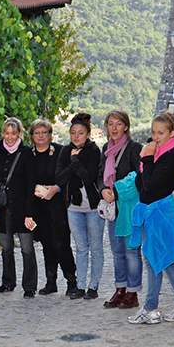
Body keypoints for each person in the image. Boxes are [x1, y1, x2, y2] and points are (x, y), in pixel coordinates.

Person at [128, 111, 174, 324]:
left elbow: (149, 184)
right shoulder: (158, 151)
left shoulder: (171, 155)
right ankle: (152, 308)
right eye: (153, 132)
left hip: (160, 212)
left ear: (172, 133)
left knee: (165, 260)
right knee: (156, 260)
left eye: (160, 133)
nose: (155, 137)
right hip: (153, 210)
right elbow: (141, 185)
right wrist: (147, 159)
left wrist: (147, 158)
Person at [0, 118, 38, 298]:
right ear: (2, 134)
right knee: (6, 247)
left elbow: (31, 184)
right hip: (1, 207)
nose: (9, 137)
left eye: (13, 133)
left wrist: (30, 213)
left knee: (27, 248)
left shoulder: (26, 154)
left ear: (19, 134)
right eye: (6, 133)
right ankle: (8, 282)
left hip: (23, 208)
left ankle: (29, 285)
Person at [97, 110, 142, 309]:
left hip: (129, 206)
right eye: (110, 124)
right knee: (117, 251)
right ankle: (120, 289)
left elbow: (138, 177)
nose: (114, 128)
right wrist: (103, 190)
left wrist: (116, 190)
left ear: (126, 126)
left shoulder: (134, 148)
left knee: (131, 250)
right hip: (112, 207)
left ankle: (132, 292)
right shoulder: (106, 148)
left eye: (118, 124)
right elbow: (99, 175)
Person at [55, 112, 103, 300]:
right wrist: (73, 163)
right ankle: (81, 285)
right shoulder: (65, 151)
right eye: (73, 132)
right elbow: (59, 178)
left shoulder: (93, 151)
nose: (76, 136)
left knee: (96, 247)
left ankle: (94, 286)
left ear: (88, 134)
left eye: (80, 133)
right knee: (81, 247)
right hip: (73, 207)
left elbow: (89, 176)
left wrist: (75, 162)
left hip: (92, 207)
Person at [29, 118, 77, 296]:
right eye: (37, 132)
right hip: (38, 206)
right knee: (47, 244)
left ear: (50, 134)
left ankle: (72, 281)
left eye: (44, 132)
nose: (41, 136)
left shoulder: (61, 151)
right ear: (32, 136)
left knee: (61, 244)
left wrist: (56, 188)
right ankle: (51, 282)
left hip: (58, 205)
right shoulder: (29, 155)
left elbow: (70, 176)